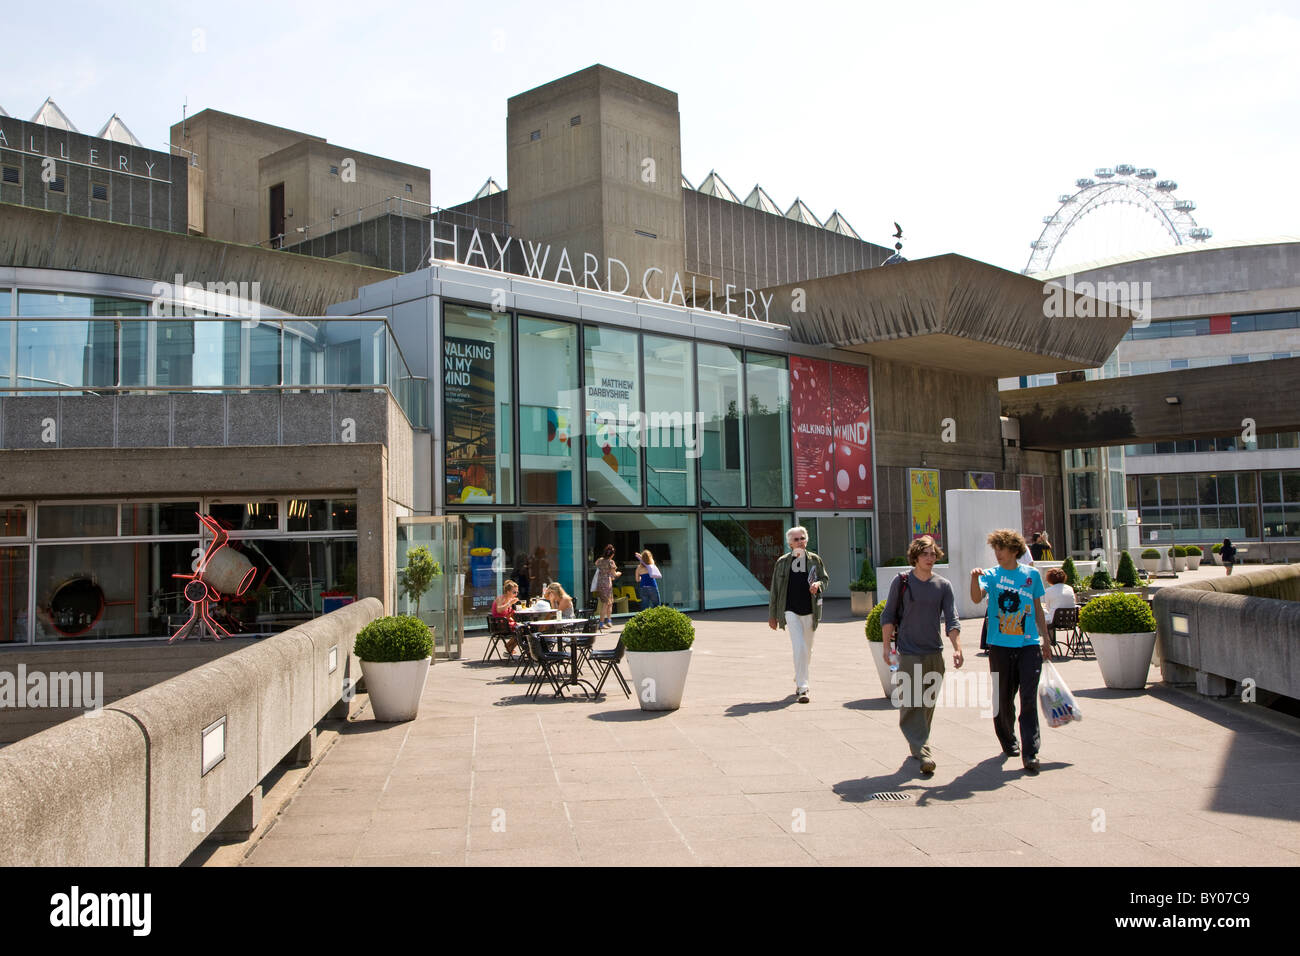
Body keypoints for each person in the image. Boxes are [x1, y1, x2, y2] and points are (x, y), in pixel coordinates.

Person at [971, 529, 1051, 775]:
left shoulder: (1031, 575)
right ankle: (1008, 739)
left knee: (1028, 699)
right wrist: (974, 579)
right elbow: (976, 599)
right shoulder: (991, 575)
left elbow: (1038, 609)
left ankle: (1031, 752)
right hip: (1000, 646)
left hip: (1028, 645)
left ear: (1015, 551)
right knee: (1004, 697)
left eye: (1002, 549)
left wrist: (1045, 640)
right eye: (995, 549)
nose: (997, 553)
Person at [881, 535, 962, 775]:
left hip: (934, 652)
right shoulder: (902, 581)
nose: (930, 558)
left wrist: (957, 648)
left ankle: (918, 743)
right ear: (915, 557)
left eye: (933, 554)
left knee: (928, 702)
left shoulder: (943, 585)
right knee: (911, 701)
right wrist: (886, 647)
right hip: (908, 651)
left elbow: (952, 618)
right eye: (925, 554)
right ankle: (923, 750)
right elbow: (888, 615)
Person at [767, 526, 828, 703]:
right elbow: (775, 590)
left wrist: (818, 585)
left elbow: (824, 579)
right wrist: (773, 615)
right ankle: (803, 687)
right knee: (799, 647)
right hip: (790, 610)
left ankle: (799, 675)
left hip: (810, 610)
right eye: (796, 539)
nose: (800, 541)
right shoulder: (782, 562)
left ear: (806, 540)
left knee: (807, 650)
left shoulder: (815, 560)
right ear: (790, 544)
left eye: (802, 538)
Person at [489, 580, 521, 656]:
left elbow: (507, 616)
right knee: (522, 629)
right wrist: (510, 604)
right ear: (508, 592)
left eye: (517, 592)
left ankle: (509, 648)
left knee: (525, 628)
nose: (516, 594)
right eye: (514, 592)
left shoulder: (510, 600)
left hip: (504, 623)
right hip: (498, 625)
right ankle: (509, 648)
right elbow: (499, 609)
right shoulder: (501, 598)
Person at [593, 544, 620, 628]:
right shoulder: (611, 562)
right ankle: (601, 623)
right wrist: (619, 573)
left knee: (608, 603)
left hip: (600, 583)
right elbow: (614, 574)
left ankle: (608, 621)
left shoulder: (600, 560)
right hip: (607, 584)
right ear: (612, 554)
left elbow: (596, 563)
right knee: (606, 604)